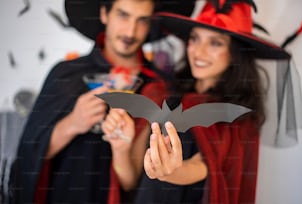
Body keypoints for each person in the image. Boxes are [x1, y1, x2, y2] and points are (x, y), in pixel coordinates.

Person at [102, 0, 302, 203]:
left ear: (235, 53)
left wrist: (169, 171)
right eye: (195, 39)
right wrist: (120, 148)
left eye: (215, 43)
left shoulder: (233, 115)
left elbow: (203, 167)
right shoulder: (159, 93)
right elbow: (129, 182)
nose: (199, 52)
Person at [10, 0, 196, 203]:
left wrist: (123, 148)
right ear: (104, 14)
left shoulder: (160, 89)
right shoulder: (65, 75)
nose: (130, 32)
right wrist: (73, 123)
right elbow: (29, 153)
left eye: (141, 20)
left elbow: (139, 185)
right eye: (123, 15)